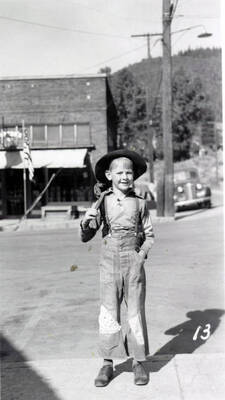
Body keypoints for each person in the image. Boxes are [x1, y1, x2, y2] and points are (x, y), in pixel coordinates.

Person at [80, 149, 154, 387]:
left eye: (129, 172)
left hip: (133, 263)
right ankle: (107, 363)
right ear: (109, 175)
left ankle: (138, 362)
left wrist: (141, 255)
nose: (125, 177)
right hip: (109, 262)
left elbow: (150, 235)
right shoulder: (102, 201)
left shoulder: (140, 204)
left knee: (134, 311)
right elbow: (87, 235)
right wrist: (85, 222)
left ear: (134, 176)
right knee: (109, 311)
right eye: (119, 172)